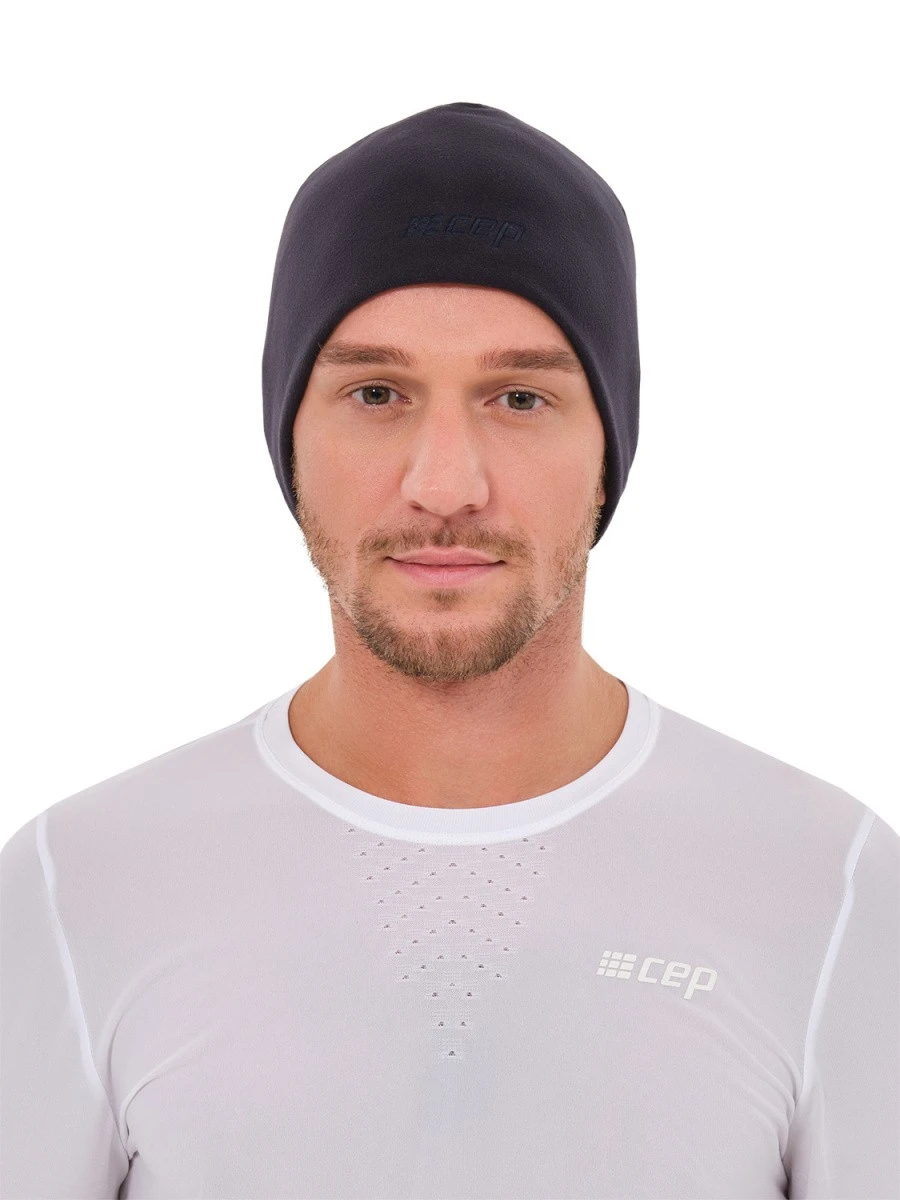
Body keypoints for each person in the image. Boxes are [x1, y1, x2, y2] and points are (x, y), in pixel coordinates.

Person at [1, 102, 897, 1200]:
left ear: (608, 448)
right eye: (377, 394)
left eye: (519, 397)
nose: (445, 484)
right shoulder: (77, 887)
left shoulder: (830, 886)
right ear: (290, 440)